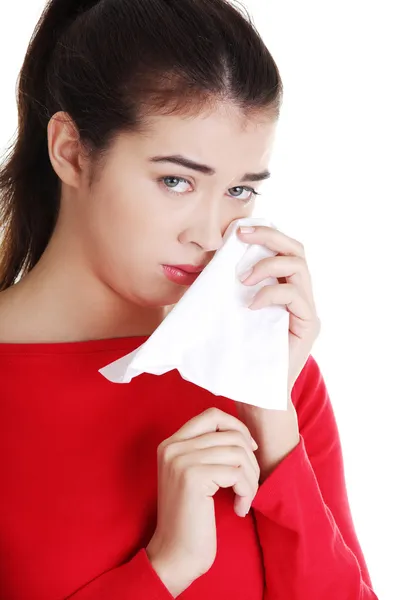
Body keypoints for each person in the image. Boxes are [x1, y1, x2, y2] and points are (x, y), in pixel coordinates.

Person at [0, 0, 378, 598]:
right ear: (71, 151)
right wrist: (166, 566)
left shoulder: (273, 376)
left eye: (238, 190)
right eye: (176, 180)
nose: (209, 233)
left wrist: (273, 418)